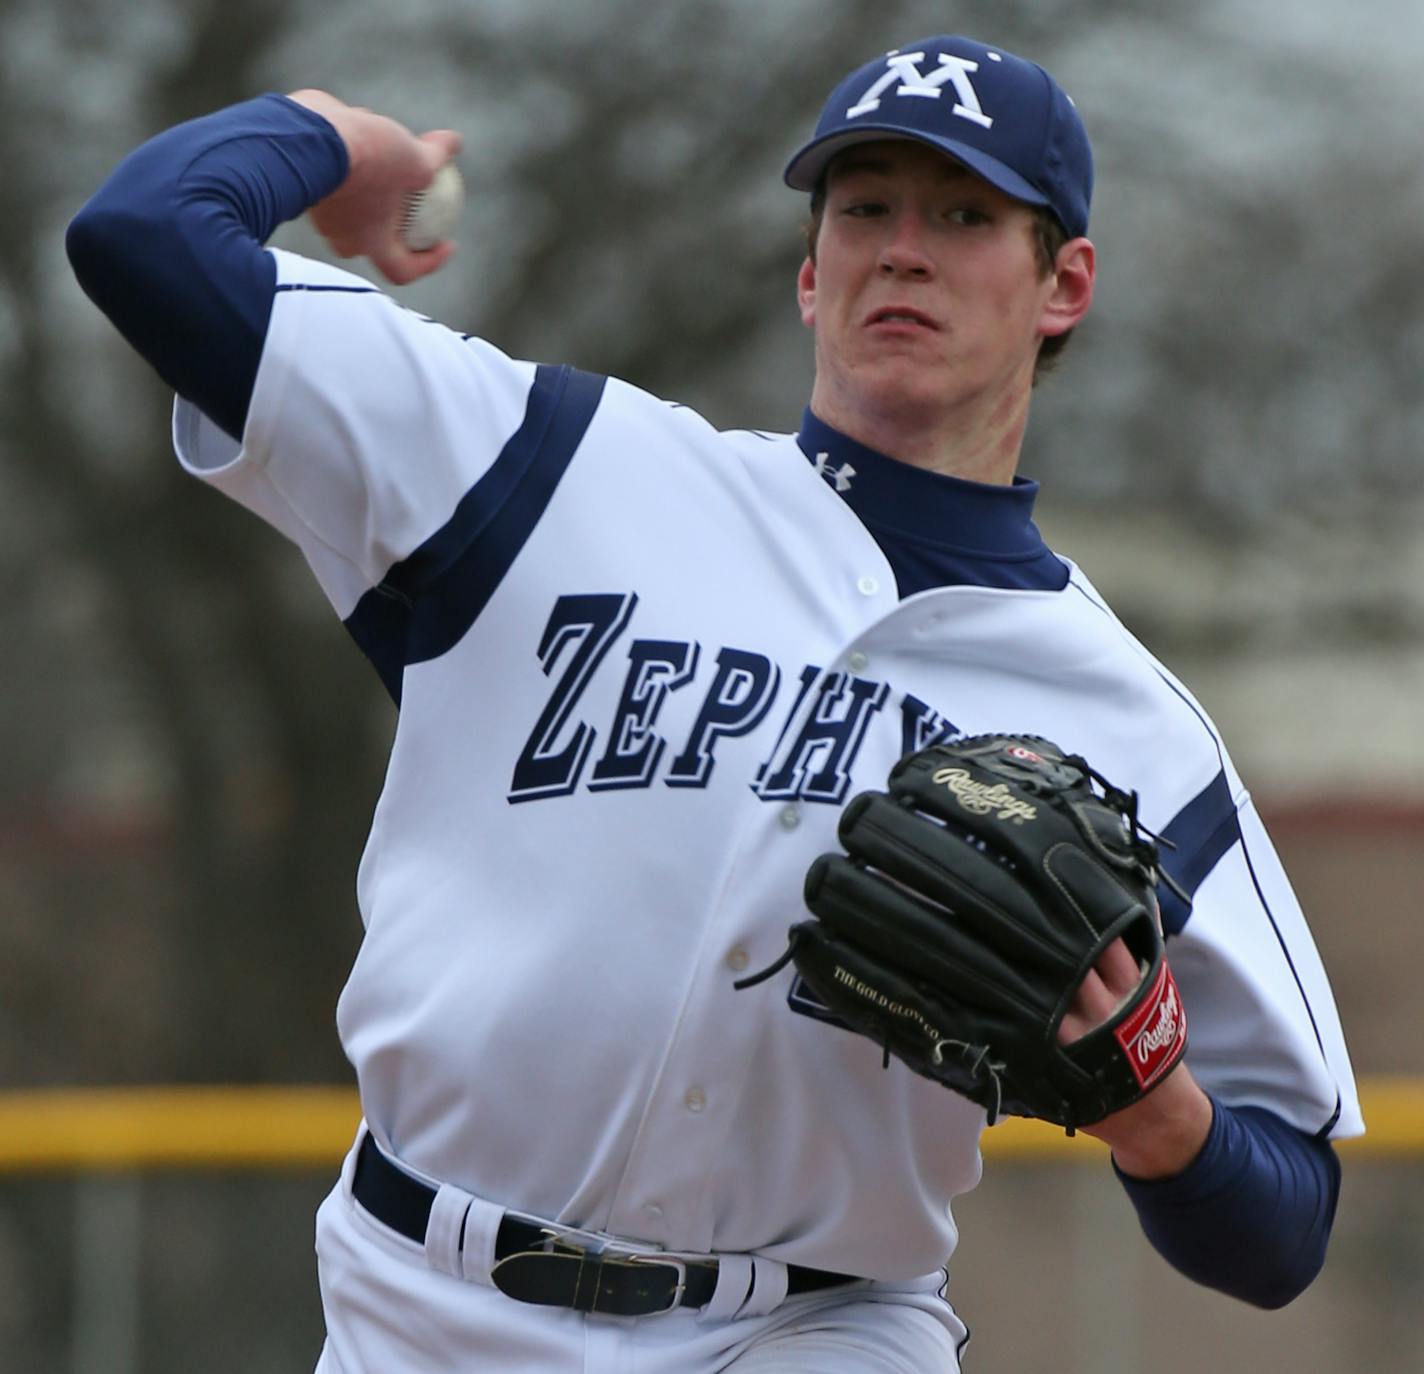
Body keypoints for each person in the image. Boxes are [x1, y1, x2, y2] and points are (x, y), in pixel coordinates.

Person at [67, 33, 1361, 1374]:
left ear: (1065, 282)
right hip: (422, 1309)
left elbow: (1284, 1224)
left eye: (965, 214)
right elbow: (144, 232)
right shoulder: (549, 470)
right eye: (865, 208)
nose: (902, 248)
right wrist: (336, 135)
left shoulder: (1126, 719)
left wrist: (1159, 1113)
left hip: (814, 1328)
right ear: (811, 274)